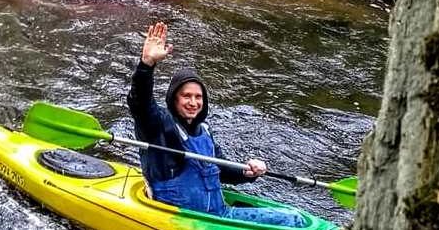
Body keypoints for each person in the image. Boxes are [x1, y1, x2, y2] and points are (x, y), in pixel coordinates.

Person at [127, 22, 306, 227]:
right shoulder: (157, 125)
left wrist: (246, 172)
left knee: (295, 220)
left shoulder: (204, 131)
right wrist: (147, 64)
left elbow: (220, 171)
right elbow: (139, 102)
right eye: (186, 96)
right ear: (174, 99)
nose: (193, 102)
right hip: (183, 221)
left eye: (198, 97)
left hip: (220, 215)